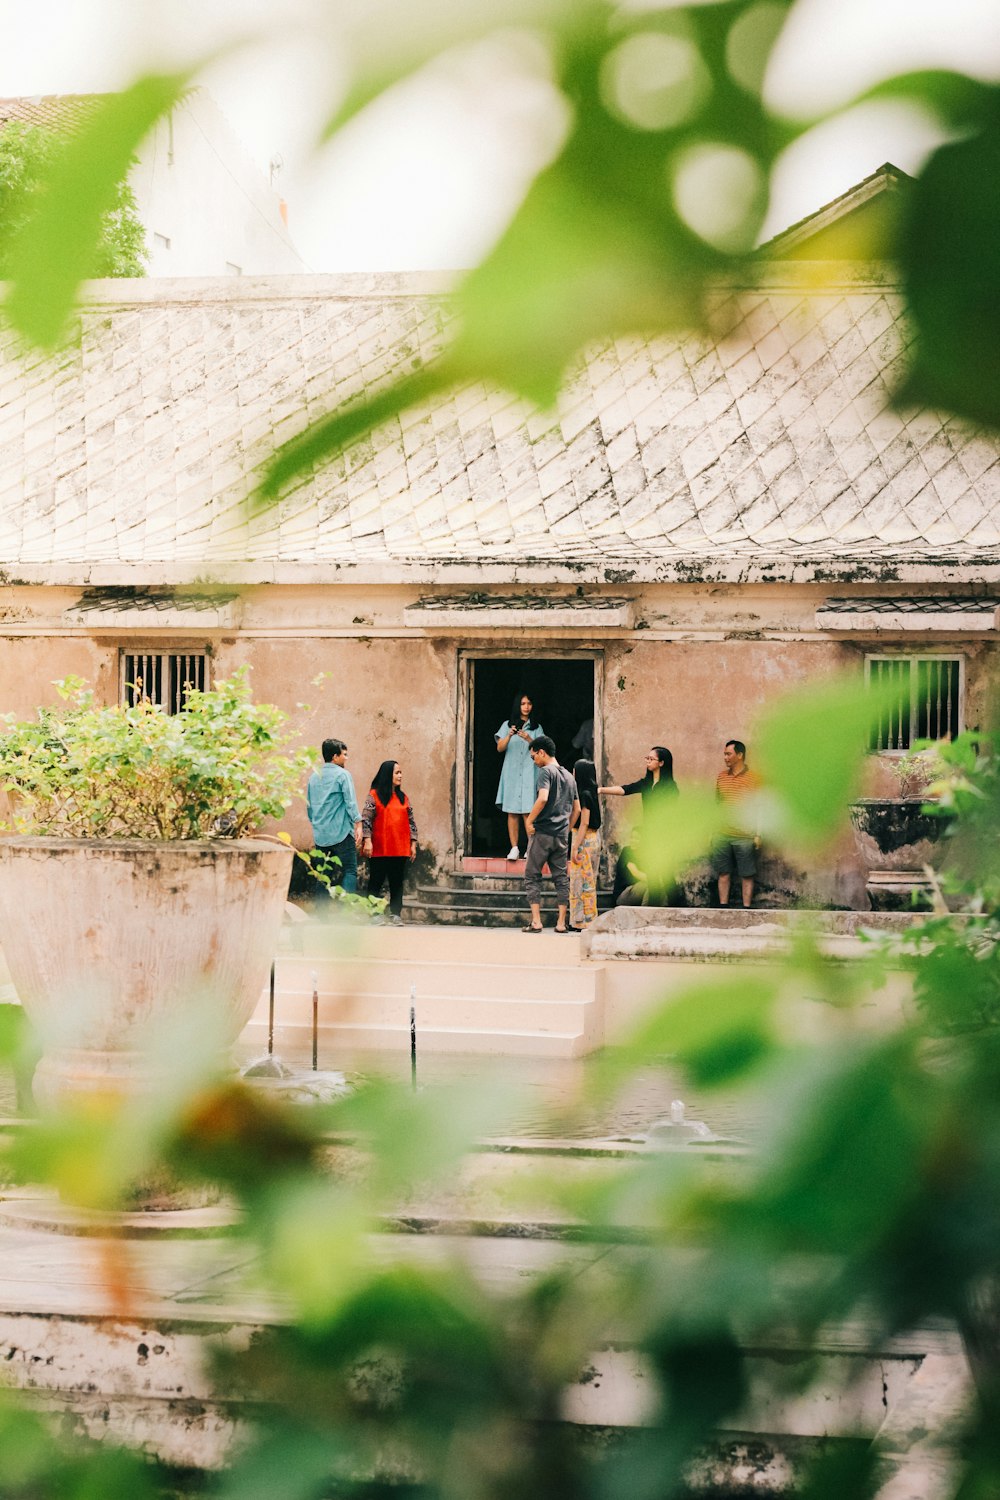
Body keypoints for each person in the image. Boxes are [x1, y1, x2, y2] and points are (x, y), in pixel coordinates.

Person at [600, 746, 678, 903]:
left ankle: (676, 906)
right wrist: (601, 790)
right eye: (647, 758)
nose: (647, 761)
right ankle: (654, 910)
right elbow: (625, 789)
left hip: (664, 836)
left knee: (667, 875)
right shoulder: (646, 784)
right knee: (653, 875)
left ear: (661, 763)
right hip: (649, 835)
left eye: (651, 759)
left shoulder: (670, 787)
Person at [523, 736, 578, 934]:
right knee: (561, 878)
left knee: (532, 875)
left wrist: (529, 820)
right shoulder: (570, 777)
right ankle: (561, 923)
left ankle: (536, 922)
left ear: (542, 753)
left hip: (543, 832)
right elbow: (577, 809)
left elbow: (543, 797)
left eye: (533, 757)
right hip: (561, 835)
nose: (534, 762)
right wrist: (565, 827)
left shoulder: (546, 772)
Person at [361, 760, 418, 925]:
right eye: (397, 773)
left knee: (397, 882)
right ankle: (373, 914)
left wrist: (413, 844)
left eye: (400, 773)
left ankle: (395, 914)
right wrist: (367, 841)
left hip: (400, 848)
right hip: (379, 847)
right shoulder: (373, 795)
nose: (400, 776)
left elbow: (411, 822)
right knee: (376, 881)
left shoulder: (403, 798)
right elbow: (366, 820)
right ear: (387, 775)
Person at [306, 737, 361, 894]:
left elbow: (309, 807)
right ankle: (345, 913)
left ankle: (321, 914)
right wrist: (358, 823)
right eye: (344, 754)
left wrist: (317, 825)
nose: (346, 758)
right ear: (335, 757)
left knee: (323, 876)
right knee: (350, 871)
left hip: (321, 836)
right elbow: (350, 803)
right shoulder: (343, 775)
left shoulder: (313, 777)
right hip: (342, 833)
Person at [711, 739, 762, 909]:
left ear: (740, 755)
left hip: (745, 835)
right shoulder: (721, 777)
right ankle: (723, 908)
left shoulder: (754, 778)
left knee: (747, 874)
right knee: (723, 873)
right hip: (722, 834)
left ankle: (746, 909)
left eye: (728, 754)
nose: (725, 757)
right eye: (724, 754)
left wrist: (758, 834)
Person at [495, 692, 544, 859]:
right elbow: (500, 748)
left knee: (528, 812)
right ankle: (514, 848)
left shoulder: (537, 728)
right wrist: (509, 734)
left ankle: (531, 848)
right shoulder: (507, 725)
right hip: (512, 773)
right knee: (512, 811)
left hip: (530, 773)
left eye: (529, 703)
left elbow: (544, 750)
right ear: (518, 706)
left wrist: (530, 739)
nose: (526, 707)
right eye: (523, 704)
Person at [569, 758, 602, 931]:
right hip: (593, 839)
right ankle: (587, 919)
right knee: (589, 880)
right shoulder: (592, 792)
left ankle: (581, 921)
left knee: (580, 881)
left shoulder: (584, 794)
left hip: (584, 839)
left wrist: (575, 846)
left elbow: (584, 822)